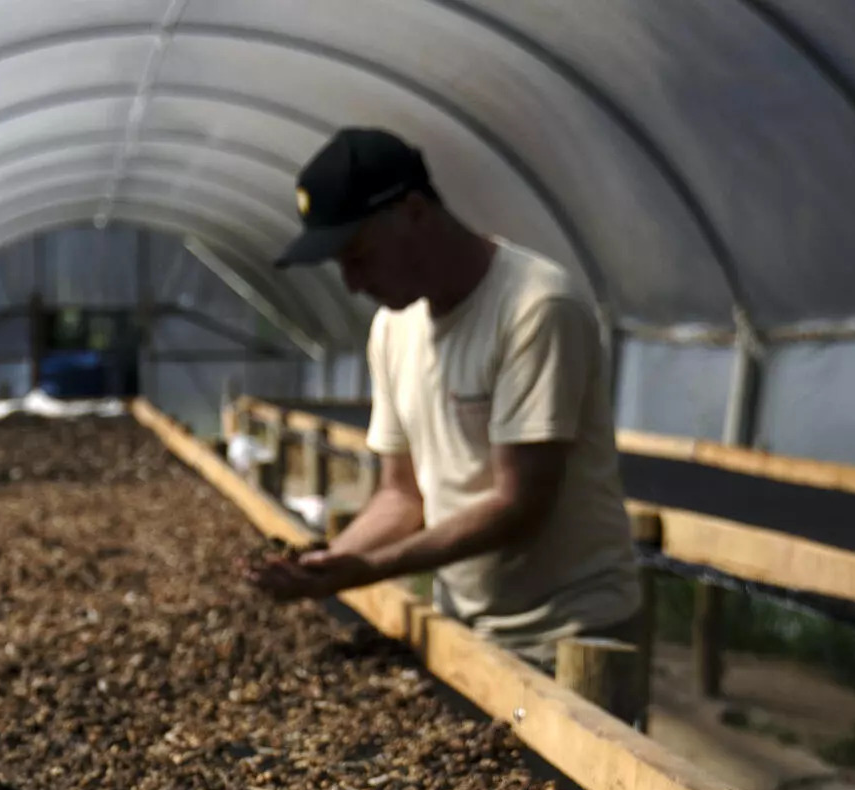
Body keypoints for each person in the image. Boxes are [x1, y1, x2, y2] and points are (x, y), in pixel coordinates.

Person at [245, 129, 639, 662]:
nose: (353, 284)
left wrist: (370, 570)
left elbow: (519, 504)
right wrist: (326, 564)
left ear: (413, 211)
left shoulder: (535, 308)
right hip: (467, 627)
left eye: (359, 255)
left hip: (567, 635)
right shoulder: (392, 329)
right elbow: (401, 495)